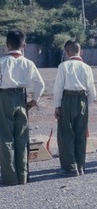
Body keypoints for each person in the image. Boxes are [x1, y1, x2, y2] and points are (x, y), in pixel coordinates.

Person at [0, 29, 45, 186]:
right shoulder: (29, 63)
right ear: (24, 45)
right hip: (22, 97)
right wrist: (34, 101)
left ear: (7, 45)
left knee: (6, 138)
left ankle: (9, 177)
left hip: (5, 97)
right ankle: (23, 175)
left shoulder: (2, 62)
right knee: (22, 137)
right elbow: (40, 84)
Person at [53, 40, 96, 177]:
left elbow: (58, 88)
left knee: (66, 133)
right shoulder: (87, 67)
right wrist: (87, 106)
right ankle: (80, 165)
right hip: (83, 99)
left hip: (68, 99)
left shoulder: (63, 66)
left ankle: (70, 166)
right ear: (80, 51)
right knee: (81, 134)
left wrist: (57, 106)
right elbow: (92, 91)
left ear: (67, 52)